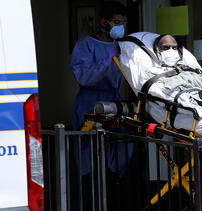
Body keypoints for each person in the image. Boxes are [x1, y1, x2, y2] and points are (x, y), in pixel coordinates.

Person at [70, 1, 133, 210]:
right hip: (90, 105)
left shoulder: (122, 47)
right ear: (103, 22)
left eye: (123, 23)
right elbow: (84, 77)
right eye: (116, 22)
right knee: (89, 157)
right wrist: (107, 61)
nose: (120, 27)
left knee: (119, 152)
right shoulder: (85, 45)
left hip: (114, 104)